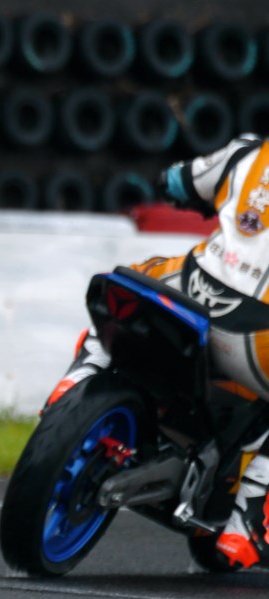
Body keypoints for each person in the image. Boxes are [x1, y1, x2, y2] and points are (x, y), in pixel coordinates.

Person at [47, 133, 269, 569]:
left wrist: (191, 191)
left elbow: (177, 181)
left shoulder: (249, 150)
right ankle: (249, 517)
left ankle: (82, 374)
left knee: (133, 282)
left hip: (190, 291)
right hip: (257, 338)